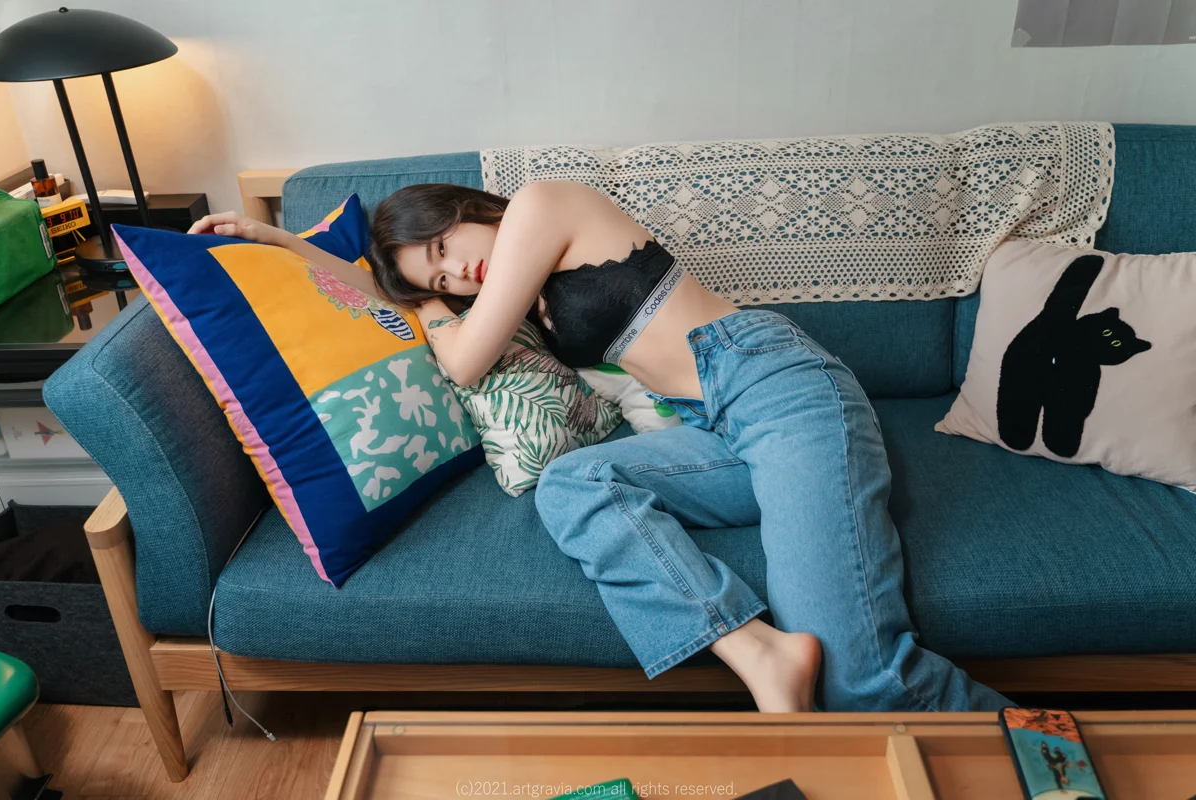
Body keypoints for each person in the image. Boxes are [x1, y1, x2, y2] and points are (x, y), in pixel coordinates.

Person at [188, 179, 1008, 713]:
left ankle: (1057, 763)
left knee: (863, 679)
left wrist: (429, 307)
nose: (457, 276)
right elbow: (392, 300)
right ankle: (757, 651)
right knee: (574, 486)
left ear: (462, 209)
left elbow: (463, 359)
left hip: (779, 389)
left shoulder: (543, 205)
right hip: (717, 431)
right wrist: (280, 243)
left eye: (444, 250)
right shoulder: (518, 291)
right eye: (439, 280)